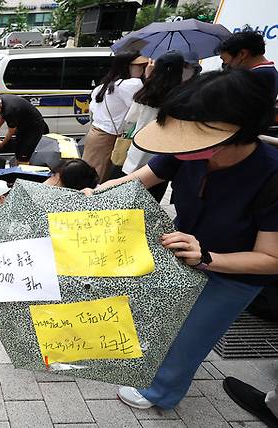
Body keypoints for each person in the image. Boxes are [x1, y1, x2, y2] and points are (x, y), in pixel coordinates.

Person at [85, 70, 278, 411]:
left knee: (191, 336)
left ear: (234, 129)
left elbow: (270, 258)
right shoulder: (187, 148)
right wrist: (94, 193)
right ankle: (146, 363)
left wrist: (208, 258)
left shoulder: (271, 174)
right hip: (183, 251)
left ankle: (161, 392)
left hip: (234, 273)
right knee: (164, 316)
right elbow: (140, 178)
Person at [121, 51, 186, 201]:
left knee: (128, 195)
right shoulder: (182, 96)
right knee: (152, 199)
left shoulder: (145, 92)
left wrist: (148, 78)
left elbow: (130, 119)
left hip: (139, 149)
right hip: (162, 154)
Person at [81, 51, 147, 182]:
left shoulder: (104, 85)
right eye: (139, 66)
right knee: (97, 178)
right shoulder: (132, 84)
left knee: (89, 175)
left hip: (95, 134)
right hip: (107, 137)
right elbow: (143, 108)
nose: (142, 69)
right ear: (126, 66)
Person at [0, 94, 49, 163]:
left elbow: (11, 131)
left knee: (24, 154)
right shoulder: (1, 100)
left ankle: (23, 168)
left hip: (34, 127)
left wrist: (2, 143)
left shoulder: (10, 110)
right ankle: (19, 164)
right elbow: (3, 115)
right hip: (22, 126)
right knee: (18, 151)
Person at [219, 28, 278, 99]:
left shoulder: (256, 76)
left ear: (242, 54)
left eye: (224, 60)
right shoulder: (267, 71)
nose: (225, 64)